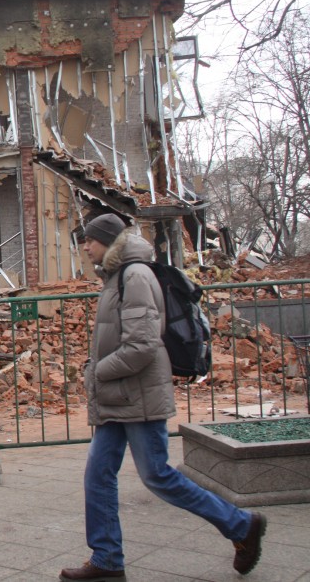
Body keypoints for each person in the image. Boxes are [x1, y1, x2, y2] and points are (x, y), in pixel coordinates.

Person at [60, 213, 266, 582]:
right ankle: (107, 559)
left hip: (138, 396)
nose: (86, 246)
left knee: (158, 476)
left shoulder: (135, 276)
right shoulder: (117, 275)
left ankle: (241, 525)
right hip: (118, 397)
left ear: (107, 241)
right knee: (98, 476)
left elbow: (141, 345)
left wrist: (96, 372)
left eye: (90, 240)